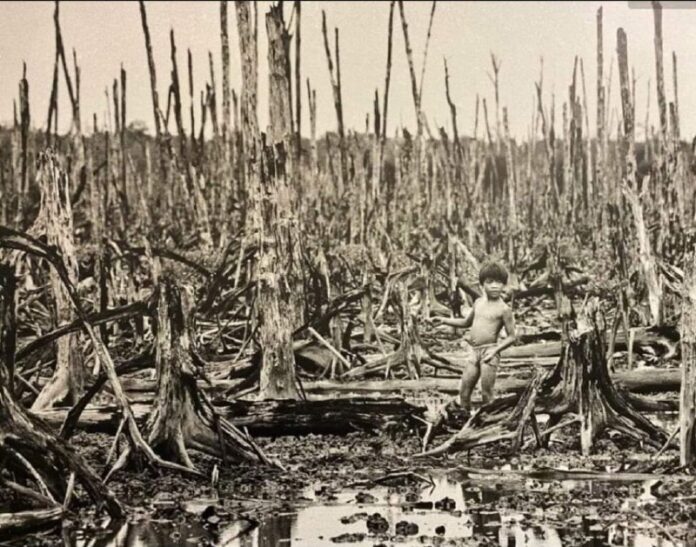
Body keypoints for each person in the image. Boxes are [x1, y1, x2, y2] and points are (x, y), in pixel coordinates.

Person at [428, 261, 517, 411]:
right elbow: (466, 322)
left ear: (504, 285)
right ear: (482, 284)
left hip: (489, 353)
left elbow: (512, 337)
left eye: (499, 282)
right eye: (490, 282)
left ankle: (489, 421)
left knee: (486, 394)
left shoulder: (504, 309)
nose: (495, 286)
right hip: (474, 352)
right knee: (464, 392)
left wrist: (495, 351)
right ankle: (464, 419)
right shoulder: (478, 303)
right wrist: (443, 320)